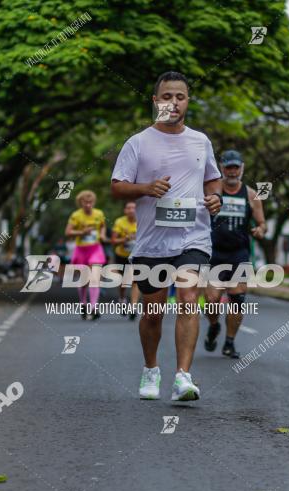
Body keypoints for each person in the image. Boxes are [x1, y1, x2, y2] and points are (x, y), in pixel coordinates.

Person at [111, 70, 222, 401]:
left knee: (189, 298)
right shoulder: (138, 142)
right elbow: (117, 186)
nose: (174, 102)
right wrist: (145, 188)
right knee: (153, 311)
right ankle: (151, 369)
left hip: (194, 236)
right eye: (167, 96)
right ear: (155, 100)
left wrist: (216, 198)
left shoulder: (201, 141)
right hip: (152, 242)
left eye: (180, 96)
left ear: (188, 101)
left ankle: (182, 377)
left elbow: (212, 179)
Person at [203, 149, 267, 358]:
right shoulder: (212, 190)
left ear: (242, 168)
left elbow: (262, 222)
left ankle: (229, 343)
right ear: (221, 168)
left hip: (239, 253)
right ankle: (214, 326)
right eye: (228, 167)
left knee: (237, 299)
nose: (232, 171)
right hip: (214, 253)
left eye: (235, 167)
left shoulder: (251, 194)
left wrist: (260, 230)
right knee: (212, 300)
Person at [64, 190, 107, 320]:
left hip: (95, 249)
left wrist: (103, 234)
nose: (88, 205)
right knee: (83, 279)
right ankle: (83, 303)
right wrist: (82, 232)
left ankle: (94, 307)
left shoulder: (99, 214)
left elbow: (103, 226)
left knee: (94, 277)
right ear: (80, 203)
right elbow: (68, 232)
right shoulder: (76, 215)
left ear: (93, 202)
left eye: (90, 202)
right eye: (85, 202)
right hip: (81, 250)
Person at [112, 201, 140, 320]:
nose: (131, 210)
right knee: (124, 282)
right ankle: (122, 298)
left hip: (136, 255)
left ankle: (133, 307)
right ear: (125, 210)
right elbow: (113, 240)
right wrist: (125, 239)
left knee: (135, 281)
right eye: (128, 208)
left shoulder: (141, 221)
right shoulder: (119, 222)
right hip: (122, 255)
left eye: (133, 208)